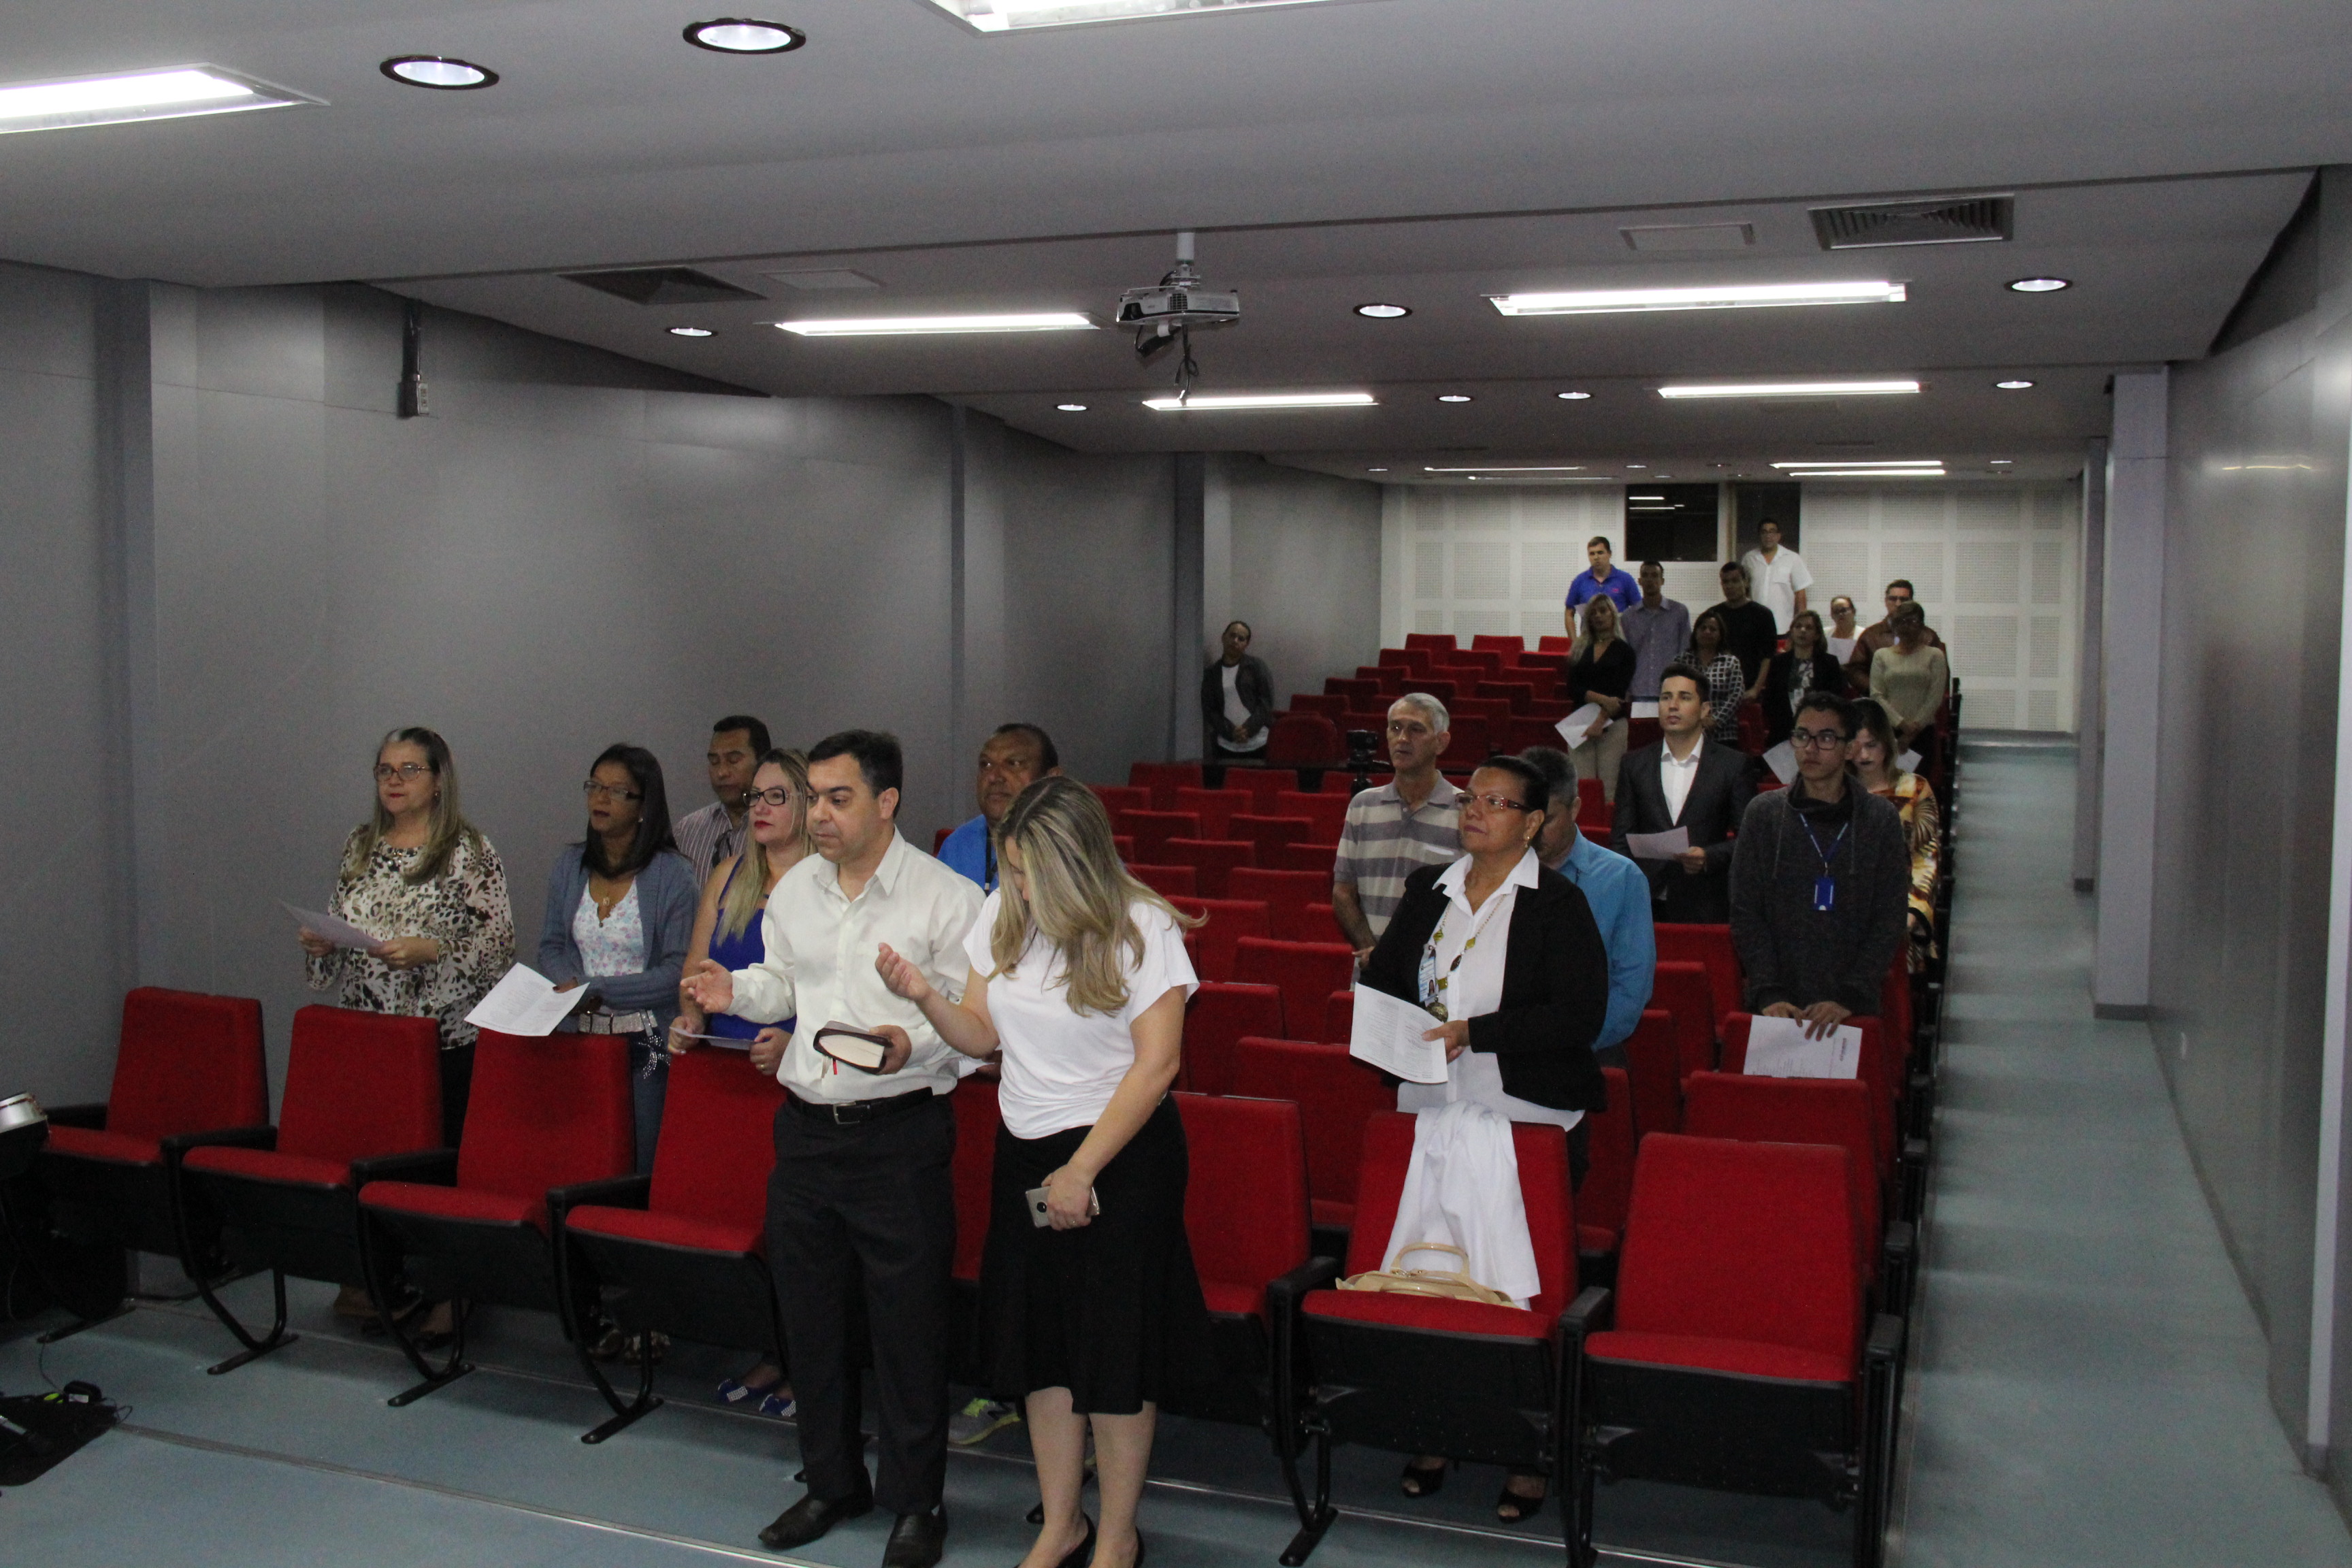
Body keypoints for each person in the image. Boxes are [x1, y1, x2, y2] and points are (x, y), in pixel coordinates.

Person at [875, 777, 1209, 1568]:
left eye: (1029, 873)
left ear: (1075, 864)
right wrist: (924, 998)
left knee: (1115, 1354)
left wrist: (1082, 1170)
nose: (1017, 887)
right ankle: (1063, 1524)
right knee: (1041, 1350)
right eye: (1012, 871)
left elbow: (1158, 1065)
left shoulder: (1142, 926)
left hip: (1120, 1154)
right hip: (1027, 1149)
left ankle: (1117, 1536)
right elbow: (979, 1035)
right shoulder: (1004, 913)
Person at [682, 730, 983, 1568]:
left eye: (836, 798)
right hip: (809, 1133)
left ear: (887, 803)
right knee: (809, 1320)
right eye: (812, 796)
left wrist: (912, 1043)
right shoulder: (797, 892)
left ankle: (916, 1502)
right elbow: (784, 983)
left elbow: (974, 1024)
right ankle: (831, 1482)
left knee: (908, 1330)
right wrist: (735, 990)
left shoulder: (947, 898)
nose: (817, 814)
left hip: (901, 1135)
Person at [1358, 753, 1608, 1523]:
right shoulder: (1427, 891)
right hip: (1432, 1112)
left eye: (1498, 803)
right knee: (1433, 1275)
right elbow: (1386, 981)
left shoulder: (1558, 904)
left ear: (1532, 824)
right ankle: (1437, 1430)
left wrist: (1478, 1032)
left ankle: (1525, 1451)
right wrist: (1386, 1022)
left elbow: (1579, 1015)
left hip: (1525, 1121)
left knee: (1515, 1287)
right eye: (1473, 797)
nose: (1476, 810)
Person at [299, 725, 514, 1328]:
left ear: (438, 780)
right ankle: (375, 1281)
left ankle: (451, 1291)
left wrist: (433, 951)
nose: (394, 781)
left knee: (437, 1171)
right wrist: (322, 945)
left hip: (441, 1041)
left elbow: (498, 948)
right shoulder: (360, 844)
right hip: (371, 1041)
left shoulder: (469, 850)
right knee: (371, 1164)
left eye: (409, 770)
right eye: (385, 770)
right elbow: (341, 929)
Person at [670, 747, 816, 1418]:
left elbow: (837, 990)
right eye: (756, 797)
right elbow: (698, 970)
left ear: (809, 805)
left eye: (776, 796)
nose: (760, 807)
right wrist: (688, 1017)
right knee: (740, 1220)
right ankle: (770, 1347)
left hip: (793, 1076)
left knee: (795, 1236)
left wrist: (796, 1042)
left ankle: (806, 1362)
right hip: (727, 1072)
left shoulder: (826, 881)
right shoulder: (729, 873)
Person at [539, 744, 698, 1177]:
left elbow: (678, 969)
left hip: (646, 1044)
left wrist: (598, 990)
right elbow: (551, 946)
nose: (600, 798)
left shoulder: (673, 875)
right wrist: (574, 988)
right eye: (594, 786)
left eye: (616, 791)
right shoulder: (570, 865)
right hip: (578, 1038)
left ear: (644, 806)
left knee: (637, 1168)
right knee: (580, 1163)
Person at [1728, 693, 1910, 1035]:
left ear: (1849, 748)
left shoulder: (1880, 819)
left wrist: (1850, 994)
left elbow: (1890, 917)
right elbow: (1745, 910)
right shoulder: (1764, 814)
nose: (1810, 748)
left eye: (1826, 738)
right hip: (1776, 1005)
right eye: (1802, 736)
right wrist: (1768, 990)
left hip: (1850, 1008)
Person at [1520, 747, 1654, 1064]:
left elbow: (1631, 989)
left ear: (1575, 808)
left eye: (1547, 820)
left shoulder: (1621, 878)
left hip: (1585, 1052)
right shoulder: (1492, 871)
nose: (1533, 832)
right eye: (1524, 817)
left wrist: (1564, 1042)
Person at [1612, 662, 1754, 924]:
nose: (1673, 705)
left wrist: (1709, 856)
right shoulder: (1634, 764)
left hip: (1706, 900)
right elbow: (1621, 839)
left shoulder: (1733, 765)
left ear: (1705, 709)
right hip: (1644, 900)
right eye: (1666, 697)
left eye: (1684, 697)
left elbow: (1749, 839)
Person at [1332, 694, 1467, 958]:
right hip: (1371, 968)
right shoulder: (1362, 806)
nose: (1403, 738)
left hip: (1434, 970)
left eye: (1416, 729)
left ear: (1441, 742)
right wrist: (1375, 953)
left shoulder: (1465, 811)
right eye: (1395, 728)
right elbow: (1343, 892)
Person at [1850, 700, 1941, 975]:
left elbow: (1926, 857)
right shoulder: (1835, 791)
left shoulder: (1915, 789)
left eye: (1872, 745)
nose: (1864, 755)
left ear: (1887, 743)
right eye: (1856, 746)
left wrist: (1913, 912)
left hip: (1900, 906)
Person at [938, 723, 1062, 894]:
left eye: (1014, 763)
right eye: (986, 764)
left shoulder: (1071, 846)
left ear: (1051, 778)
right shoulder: (957, 846)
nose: (993, 776)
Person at [674, 715, 772, 882]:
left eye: (733, 760)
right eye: (714, 762)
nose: (722, 772)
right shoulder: (686, 831)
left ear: (763, 762)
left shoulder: (783, 828)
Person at [1563, 595, 1635, 803]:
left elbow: (1619, 693)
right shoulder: (1579, 648)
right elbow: (1573, 687)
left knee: (1609, 789)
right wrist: (1602, 698)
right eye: (1593, 613)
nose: (1598, 616)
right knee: (1581, 788)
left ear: (1613, 614)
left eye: (1603, 611)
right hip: (1580, 722)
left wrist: (1599, 722)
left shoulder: (1625, 650)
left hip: (1612, 723)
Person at [1869, 602, 1951, 774]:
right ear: (1894, 626)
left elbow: (1935, 697)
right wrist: (1900, 723)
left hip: (1923, 732)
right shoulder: (1882, 655)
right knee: (1888, 782)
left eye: (1912, 622)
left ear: (1921, 626)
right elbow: (1876, 695)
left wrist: (1913, 730)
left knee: (1919, 784)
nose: (1906, 627)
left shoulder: (1935, 655)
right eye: (1901, 622)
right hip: (1889, 731)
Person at [1759, 609, 1850, 749]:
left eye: (1809, 628)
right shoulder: (1778, 662)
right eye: (1798, 626)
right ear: (1792, 632)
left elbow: (1836, 699)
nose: (1802, 631)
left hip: (1820, 731)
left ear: (1817, 635)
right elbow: (1770, 699)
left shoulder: (1829, 663)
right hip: (1783, 733)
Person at [1843, 579, 1946, 689]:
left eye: (1904, 599)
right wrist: (1877, 689)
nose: (1898, 604)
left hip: (1919, 695)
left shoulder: (1928, 636)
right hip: (1878, 696)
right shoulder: (1871, 635)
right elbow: (1855, 671)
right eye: (1893, 599)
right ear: (1886, 601)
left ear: (1912, 602)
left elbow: (1941, 673)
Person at [1200, 620, 1275, 762]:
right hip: (1225, 745)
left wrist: (1248, 729)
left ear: (1246, 644)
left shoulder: (1256, 667)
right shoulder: (1212, 673)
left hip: (1259, 743)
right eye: (1232, 635)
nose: (1235, 641)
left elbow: (1266, 703)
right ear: (1223, 637)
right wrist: (1231, 732)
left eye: (1241, 639)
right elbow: (1210, 709)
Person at [1705, 561, 1780, 698]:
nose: (1730, 586)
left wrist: (1756, 689)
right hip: (1719, 688)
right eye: (1725, 582)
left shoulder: (1763, 615)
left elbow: (1768, 657)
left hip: (1751, 687)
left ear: (1746, 582)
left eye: (1735, 581)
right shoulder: (1713, 614)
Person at [1620, 559, 1691, 701]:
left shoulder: (1679, 612)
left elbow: (1685, 652)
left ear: (1662, 581)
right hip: (1638, 690)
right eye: (1645, 575)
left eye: (1654, 575)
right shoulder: (1628, 616)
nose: (1650, 580)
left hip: (1670, 689)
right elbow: (1624, 656)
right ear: (1639, 581)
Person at [1739, 518, 1813, 634]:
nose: (1768, 535)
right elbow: (1744, 592)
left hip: (1783, 627)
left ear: (1779, 535)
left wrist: (1801, 625)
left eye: (1772, 531)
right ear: (1759, 535)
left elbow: (1800, 594)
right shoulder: (1749, 559)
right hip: (1754, 626)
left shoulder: (1792, 558)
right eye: (1764, 532)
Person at [1687, 608, 1748, 748]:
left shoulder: (1730, 662)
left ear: (1720, 635)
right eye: (1703, 628)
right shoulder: (1682, 661)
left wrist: (1715, 720)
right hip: (1689, 732)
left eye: (1713, 629)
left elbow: (1736, 695)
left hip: (1724, 733)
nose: (1707, 632)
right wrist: (1697, 722)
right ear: (1695, 632)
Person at [1562, 536, 1639, 622]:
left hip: (1618, 630)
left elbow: (1638, 610)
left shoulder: (1626, 579)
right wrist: (1572, 632)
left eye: (1600, 553)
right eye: (1592, 554)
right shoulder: (1579, 581)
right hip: (1589, 630)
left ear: (1609, 554)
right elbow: (1569, 613)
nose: (1596, 557)